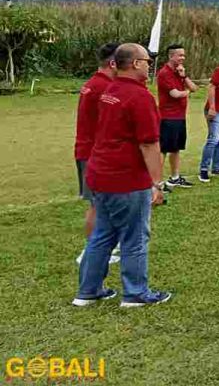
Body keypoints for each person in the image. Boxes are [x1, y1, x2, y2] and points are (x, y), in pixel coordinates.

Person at [73, 43, 171, 308]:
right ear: (136, 63)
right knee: (135, 236)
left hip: (101, 173)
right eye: (147, 61)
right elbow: (149, 143)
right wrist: (156, 183)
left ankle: (88, 290)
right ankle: (136, 293)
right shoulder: (139, 97)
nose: (150, 65)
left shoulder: (110, 90)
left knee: (102, 234)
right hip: (126, 178)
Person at [74, 42, 119, 265]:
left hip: (88, 150)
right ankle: (90, 252)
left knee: (102, 204)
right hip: (93, 153)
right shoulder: (104, 87)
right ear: (113, 63)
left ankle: (102, 247)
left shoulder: (94, 83)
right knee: (96, 204)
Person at [156, 44, 198, 192]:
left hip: (179, 116)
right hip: (168, 117)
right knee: (163, 150)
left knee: (176, 149)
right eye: (180, 55)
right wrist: (186, 92)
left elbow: (194, 88)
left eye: (183, 55)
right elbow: (175, 94)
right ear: (171, 56)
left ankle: (175, 177)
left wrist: (183, 77)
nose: (182, 58)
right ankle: (157, 183)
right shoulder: (164, 73)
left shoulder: (179, 72)